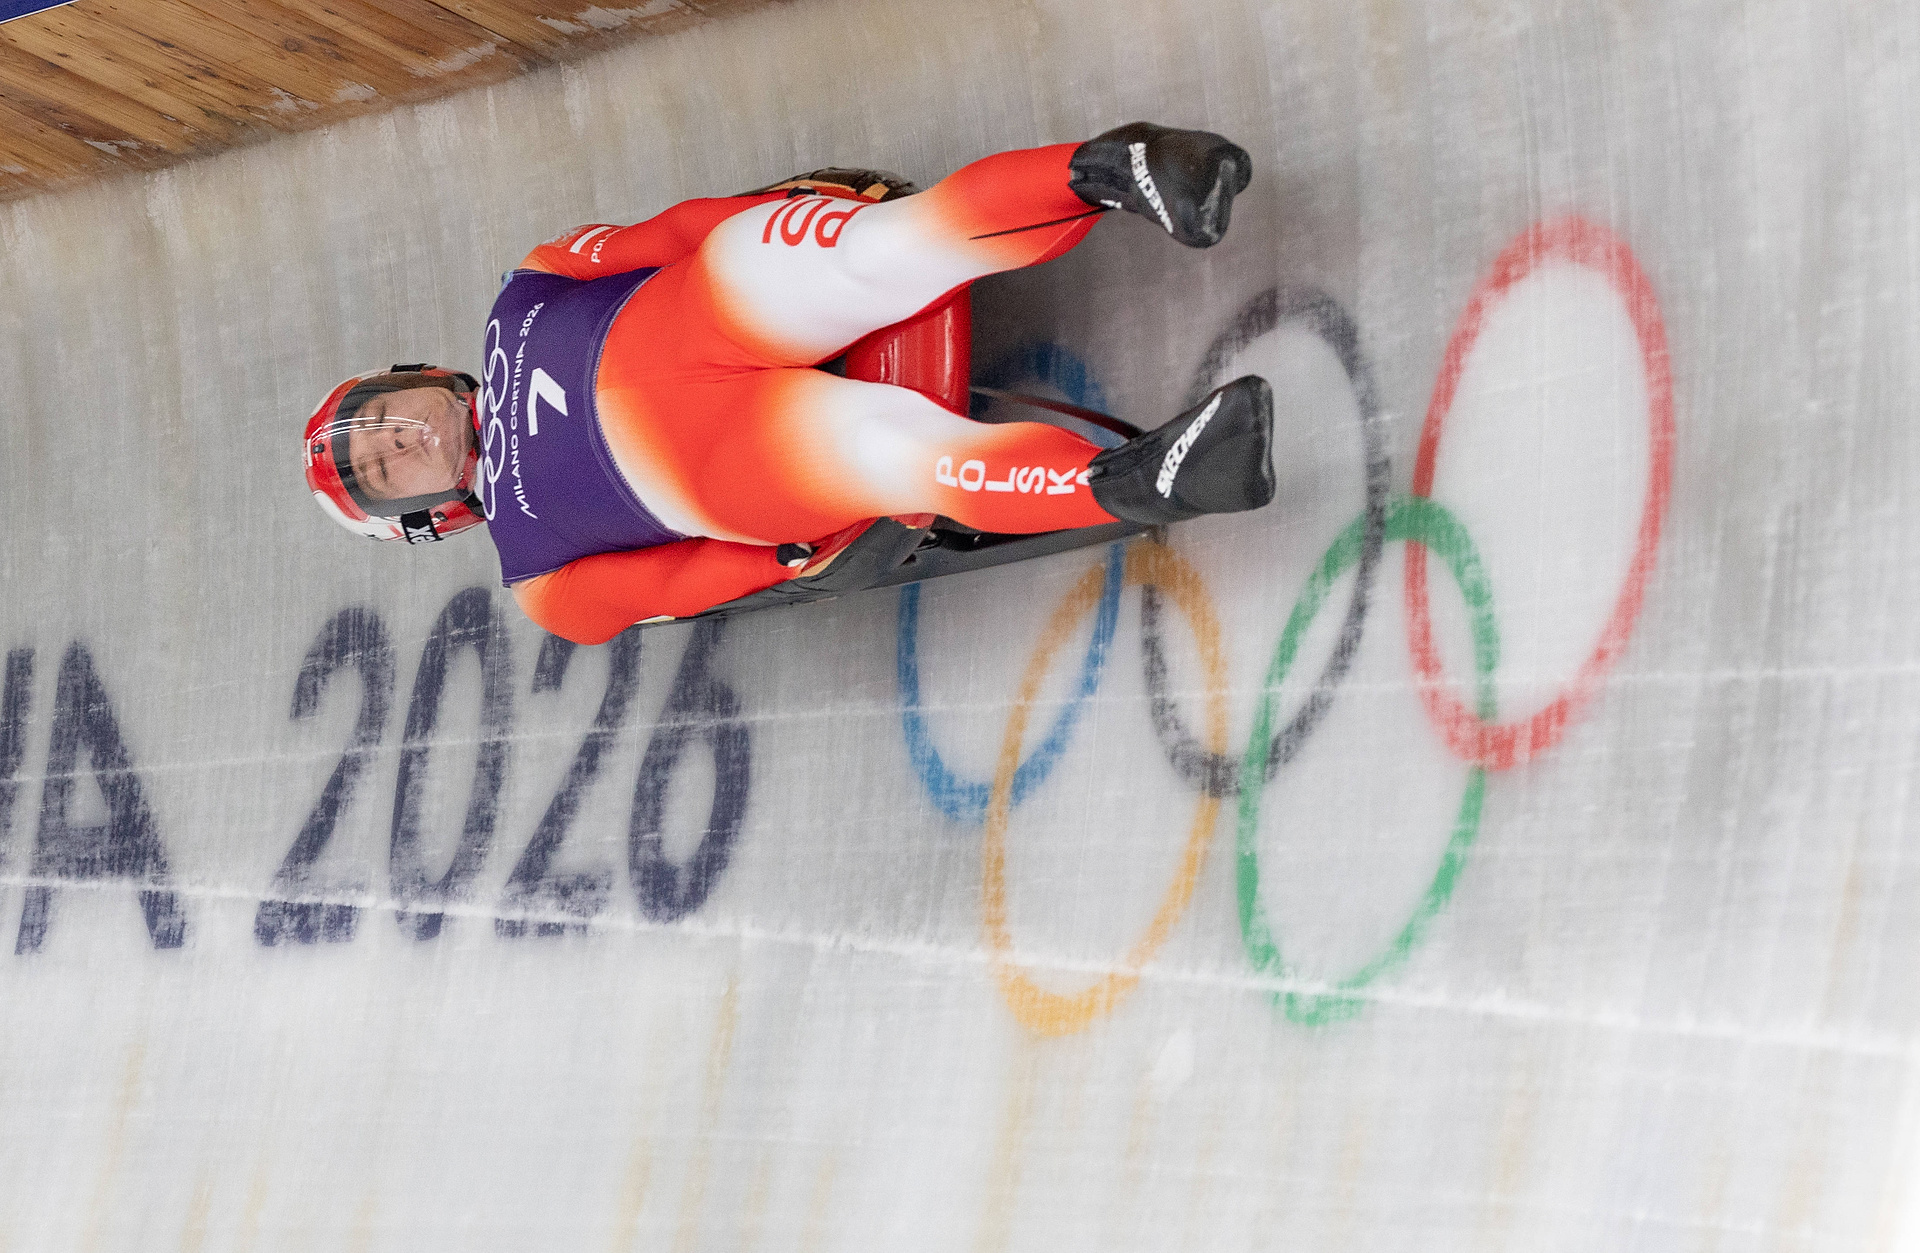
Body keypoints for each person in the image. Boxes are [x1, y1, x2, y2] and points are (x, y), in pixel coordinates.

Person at [302, 123, 1275, 645]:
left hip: (720, 297)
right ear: (427, 517)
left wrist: (774, 210)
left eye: (382, 421)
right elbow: (677, 585)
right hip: (738, 458)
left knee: (882, 250)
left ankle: (1126, 169)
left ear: (420, 379)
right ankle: (1144, 478)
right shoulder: (541, 579)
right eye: (386, 467)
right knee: (900, 457)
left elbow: (671, 236)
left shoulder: (531, 285)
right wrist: (788, 560)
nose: (399, 441)